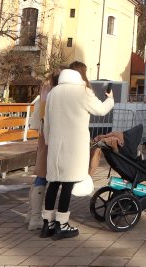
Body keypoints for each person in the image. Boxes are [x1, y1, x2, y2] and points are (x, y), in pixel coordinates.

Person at [40, 62, 113, 239]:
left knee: (53, 183)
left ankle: (47, 224)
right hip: (74, 145)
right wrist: (110, 98)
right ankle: (62, 224)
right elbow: (101, 110)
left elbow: (47, 121)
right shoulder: (83, 91)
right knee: (67, 184)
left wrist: (49, 140)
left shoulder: (54, 92)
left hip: (56, 144)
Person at [26, 71, 61, 230]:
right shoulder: (54, 96)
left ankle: (31, 213)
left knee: (40, 175)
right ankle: (35, 218)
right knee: (44, 176)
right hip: (52, 137)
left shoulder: (43, 94)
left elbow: (36, 120)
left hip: (43, 136)